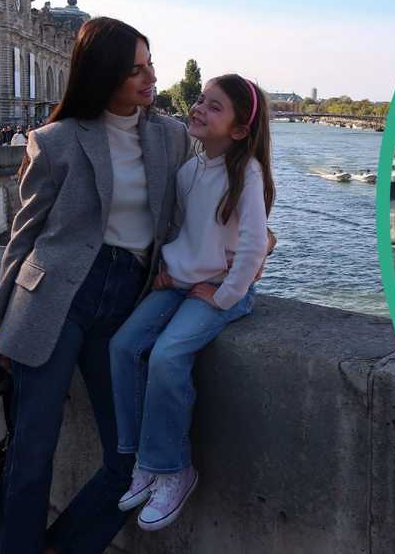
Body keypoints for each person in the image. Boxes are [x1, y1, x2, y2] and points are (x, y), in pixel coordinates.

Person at [0, 17, 194, 554]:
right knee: (31, 451)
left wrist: (253, 239)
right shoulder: (55, 141)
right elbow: (24, 235)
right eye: (135, 71)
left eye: (151, 66)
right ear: (103, 75)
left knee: (128, 457)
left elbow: (204, 205)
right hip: (56, 295)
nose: (150, 80)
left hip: (128, 299)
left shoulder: (172, 137)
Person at [109, 74, 274, 531]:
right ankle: (143, 457)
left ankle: (175, 468)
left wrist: (223, 295)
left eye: (214, 106)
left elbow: (254, 245)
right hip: (180, 284)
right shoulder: (190, 169)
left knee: (166, 355)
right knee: (123, 348)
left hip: (219, 293)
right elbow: (182, 230)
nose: (199, 108)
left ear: (239, 130)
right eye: (201, 100)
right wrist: (167, 265)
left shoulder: (248, 173)